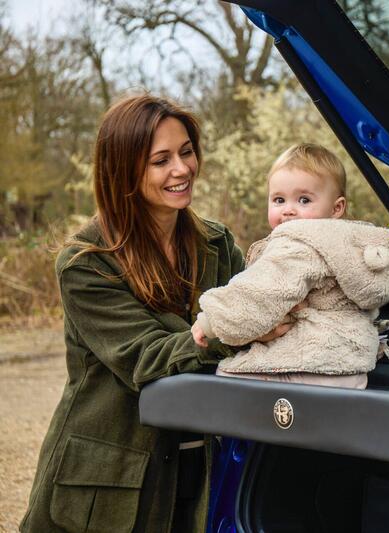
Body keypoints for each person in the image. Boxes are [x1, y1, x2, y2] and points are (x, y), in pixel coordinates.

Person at [20, 94, 286, 533]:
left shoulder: (217, 244)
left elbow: (262, 303)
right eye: (160, 160)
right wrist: (237, 331)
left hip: (199, 470)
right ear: (123, 170)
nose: (181, 169)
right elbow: (146, 358)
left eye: (185, 152)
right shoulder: (86, 262)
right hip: (109, 481)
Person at [191, 143, 389, 389]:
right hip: (350, 364)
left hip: (310, 361)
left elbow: (262, 291)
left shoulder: (301, 243)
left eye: (304, 200)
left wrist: (212, 320)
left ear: (336, 208)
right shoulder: (349, 241)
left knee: (226, 382)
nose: (288, 210)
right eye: (279, 199)